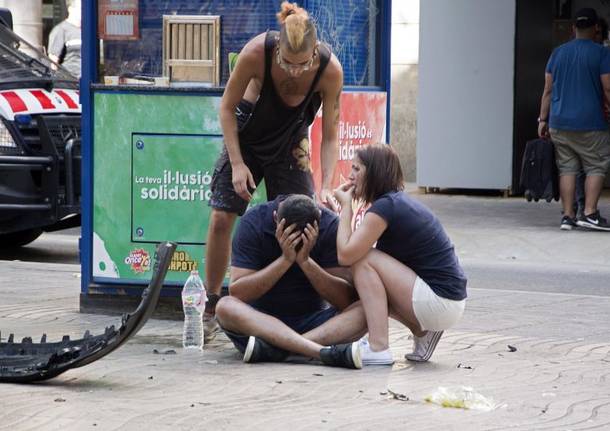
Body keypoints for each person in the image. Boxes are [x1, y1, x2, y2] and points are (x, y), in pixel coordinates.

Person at [203, 1, 343, 339]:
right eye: (287, 63)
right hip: (247, 136)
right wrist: (237, 164)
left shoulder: (329, 70)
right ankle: (211, 304)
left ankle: (294, 304)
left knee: (300, 218)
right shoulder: (256, 52)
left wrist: (327, 183)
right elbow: (226, 109)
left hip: (291, 142)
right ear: (278, 48)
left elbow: (330, 135)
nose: (294, 71)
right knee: (222, 217)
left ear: (314, 55)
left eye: (302, 64)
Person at [333, 144, 467, 365]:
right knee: (368, 280)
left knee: (362, 259)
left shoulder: (385, 208)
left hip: (442, 301)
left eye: (357, 169)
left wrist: (345, 208)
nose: (350, 176)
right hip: (447, 302)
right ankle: (423, 333)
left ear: (374, 172)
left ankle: (378, 348)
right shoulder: (394, 202)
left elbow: (346, 255)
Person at [215, 194, 364, 369]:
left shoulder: (330, 225)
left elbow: (345, 300)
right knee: (225, 306)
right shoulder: (254, 221)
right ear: (275, 218)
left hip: (316, 325)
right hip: (260, 324)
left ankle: (281, 350)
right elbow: (238, 292)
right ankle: (318, 351)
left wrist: (306, 262)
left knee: (369, 308)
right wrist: (285, 260)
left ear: (318, 221)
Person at [538, 8, 610, 231]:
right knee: (596, 165)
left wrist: (542, 119)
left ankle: (567, 216)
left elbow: (547, 90)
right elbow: (607, 87)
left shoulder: (557, 53)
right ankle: (589, 213)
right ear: (596, 27)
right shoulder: (602, 53)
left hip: (559, 122)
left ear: (573, 29)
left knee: (567, 168)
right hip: (590, 122)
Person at [47, 0, 81, 78]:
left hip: (87, 80)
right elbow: (53, 61)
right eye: (81, 8)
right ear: (71, 9)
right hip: (69, 81)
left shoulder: (87, 31)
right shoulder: (61, 30)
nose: (83, 12)